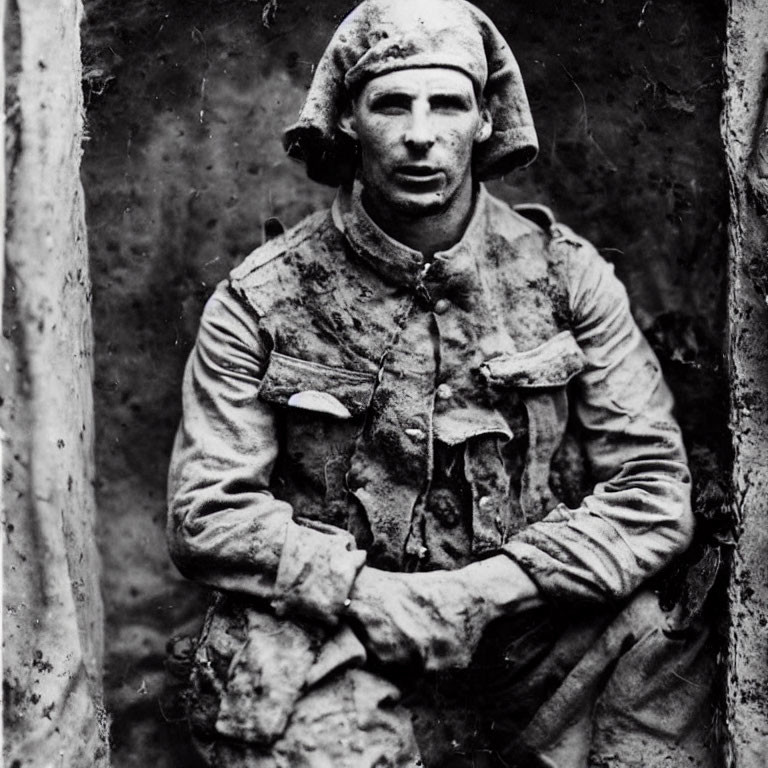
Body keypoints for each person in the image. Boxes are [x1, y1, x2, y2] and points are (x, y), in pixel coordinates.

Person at [167, 1, 715, 766]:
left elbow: (654, 487)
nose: (420, 133)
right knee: (288, 721)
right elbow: (207, 512)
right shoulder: (263, 297)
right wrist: (371, 595)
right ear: (349, 121)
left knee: (667, 661)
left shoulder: (565, 276)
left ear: (485, 119)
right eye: (392, 103)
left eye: (448, 103)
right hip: (342, 634)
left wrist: (487, 590)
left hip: (530, 626)